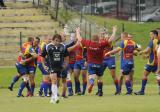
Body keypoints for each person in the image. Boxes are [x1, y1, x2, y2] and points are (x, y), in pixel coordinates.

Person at [75, 26, 116, 96]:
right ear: (98, 39)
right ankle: (100, 91)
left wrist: (77, 31)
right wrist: (114, 31)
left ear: (91, 39)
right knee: (99, 77)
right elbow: (110, 40)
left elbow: (79, 38)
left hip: (91, 64)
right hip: (100, 64)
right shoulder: (101, 44)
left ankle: (91, 83)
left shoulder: (88, 43)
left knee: (91, 76)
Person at [41, 34, 69, 104]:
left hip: (60, 67)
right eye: (56, 41)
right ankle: (56, 97)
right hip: (51, 66)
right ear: (53, 40)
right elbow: (42, 56)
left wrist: (65, 65)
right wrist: (44, 65)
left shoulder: (63, 46)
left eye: (59, 41)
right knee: (54, 81)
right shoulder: (47, 46)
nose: (57, 42)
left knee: (57, 83)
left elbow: (66, 57)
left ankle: (52, 97)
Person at [134, 30, 159, 95]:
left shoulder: (152, 41)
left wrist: (140, 52)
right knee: (158, 75)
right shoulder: (158, 41)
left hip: (152, 62)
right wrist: (147, 56)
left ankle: (142, 91)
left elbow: (147, 50)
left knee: (144, 75)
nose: (150, 36)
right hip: (158, 61)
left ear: (154, 35)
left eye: (151, 34)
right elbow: (154, 52)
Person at [100, 28, 120, 95]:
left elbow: (111, 39)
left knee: (113, 75)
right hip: (102, 59)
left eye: (104, 33)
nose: (103, 35)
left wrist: (114, 31)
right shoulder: (99, 41)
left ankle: (118, 90)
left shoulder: (109, 41)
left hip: (110, 59)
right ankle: (100, 91)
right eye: (102, 33)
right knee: (99, 74)